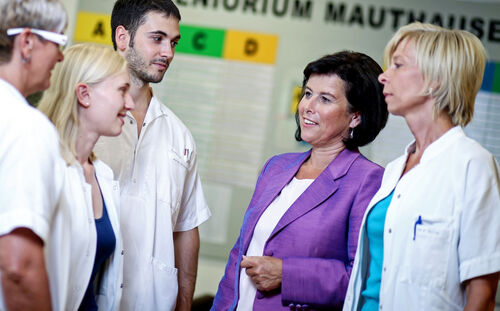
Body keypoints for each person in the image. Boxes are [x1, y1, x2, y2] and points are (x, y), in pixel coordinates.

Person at [212, 51, 389, 310]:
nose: (308, 106)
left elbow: (361, 280)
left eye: (325, 99)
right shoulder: (276, 166)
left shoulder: (369, 181)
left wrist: (287, 274)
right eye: (307, 93)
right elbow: (238, 255)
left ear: (355, 116)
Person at [343, 22, 500, 311]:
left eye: (398, 65)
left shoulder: (472, 164)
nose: (383, 77)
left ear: (436, 79)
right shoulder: (394, 169)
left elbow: (483, 293)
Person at [93, 0, 211, 310]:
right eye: (157, 38)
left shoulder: (179, 136)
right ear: (123, 38)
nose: (168, 53)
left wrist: (185, 304)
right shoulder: (85, 120)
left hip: (152, 301)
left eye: (173, 42)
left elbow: (186, 229)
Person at [38, 43, 134, 310]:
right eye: (122, 90)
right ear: (84, 94)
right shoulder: (44, 167)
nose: (130, 103)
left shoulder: (102, 175)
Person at [0, 0, 67, 310]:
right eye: (59, 41)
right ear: (27, 42)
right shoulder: (25, 126)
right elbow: (19, 266)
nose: (61, 56)